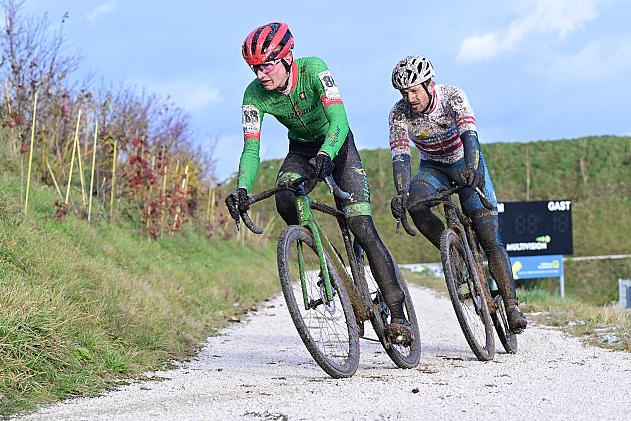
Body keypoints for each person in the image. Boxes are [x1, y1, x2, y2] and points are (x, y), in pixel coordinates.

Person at [226, 22, 413, 343]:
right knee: (285, 197)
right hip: (300, 149)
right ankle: (337, 277)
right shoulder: (253, 95)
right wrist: (242, 187)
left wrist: (327, 153)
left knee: (361, 226)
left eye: (267, 64)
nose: (261, 74)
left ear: (287, 58)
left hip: (337, 144)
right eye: (255, 68)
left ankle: (398, 315)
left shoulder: (314, 70)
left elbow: (339, 119)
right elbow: (251, 147)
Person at [387, 55, 527, 334]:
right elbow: (401, 157)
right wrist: (401, 192)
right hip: (433, 168)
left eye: (414, 90)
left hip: (464, 160)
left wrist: (474, 168)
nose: (410, 97)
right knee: (415, 204)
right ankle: (452, 251)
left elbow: (470, 137)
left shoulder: (453, 97)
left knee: (488, 235)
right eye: (405, 93)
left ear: (429, 84)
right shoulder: (399, 113)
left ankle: (511, 305)